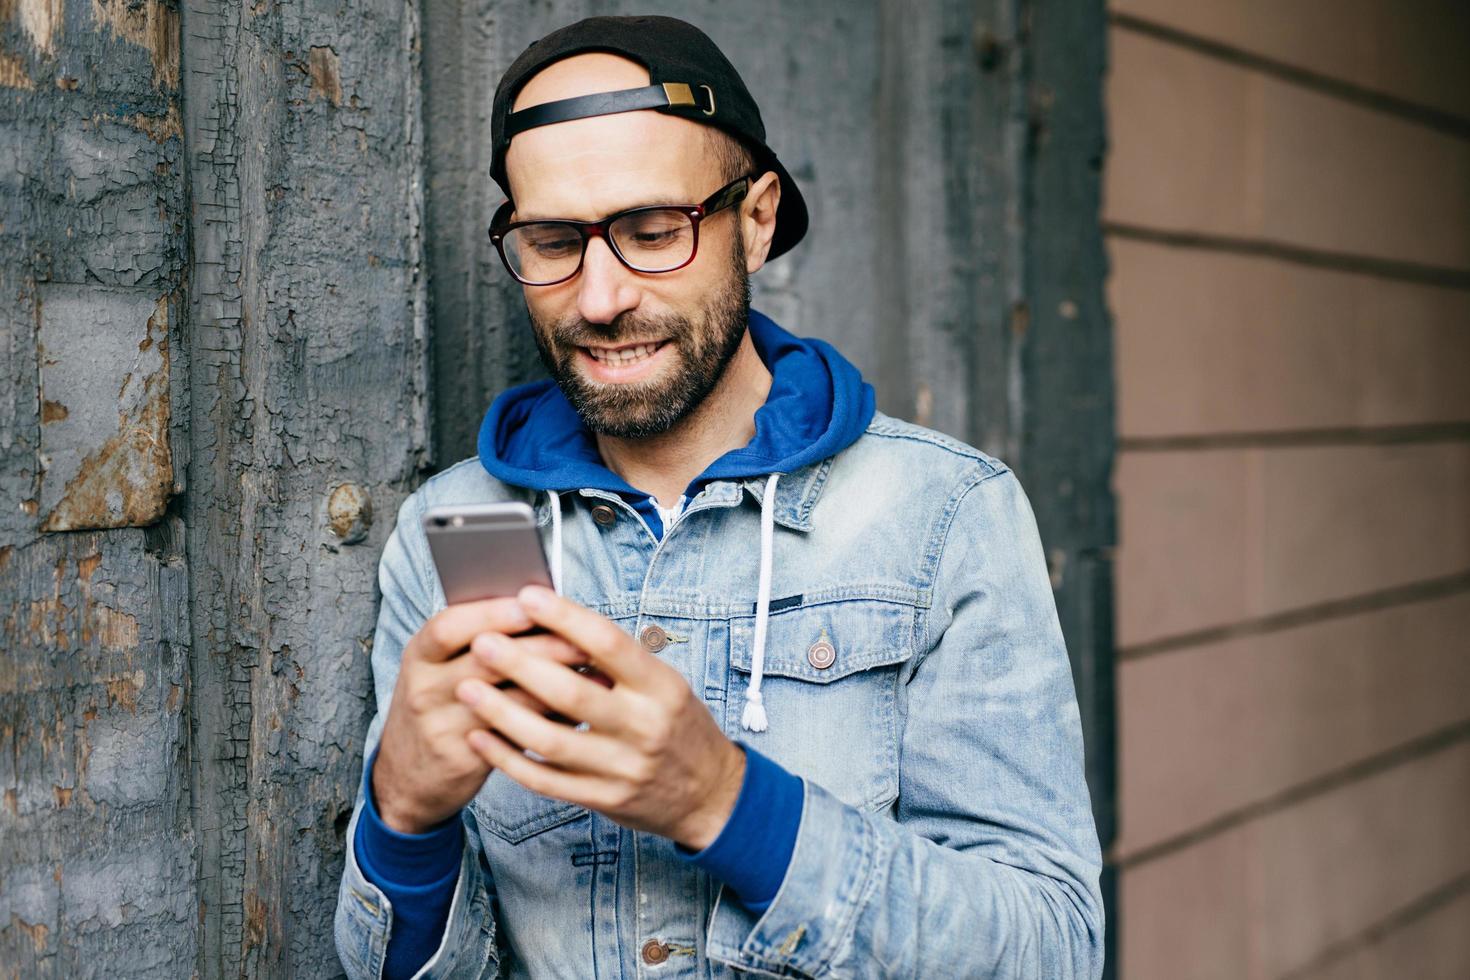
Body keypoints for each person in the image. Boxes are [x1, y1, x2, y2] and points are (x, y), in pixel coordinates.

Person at [334, 14, 1103, 980]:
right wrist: (404, 821)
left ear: (756, 216)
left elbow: (1052, 949)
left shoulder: (944, 513)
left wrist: (725, 805)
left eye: (654, 232)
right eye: (552, 240)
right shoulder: (454, 533)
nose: (601, 297)